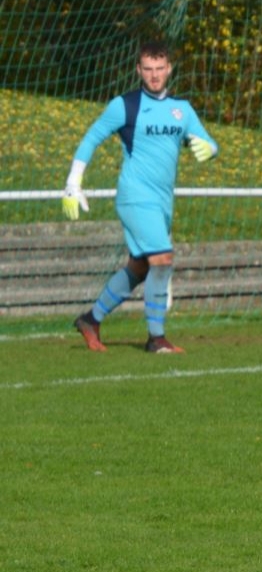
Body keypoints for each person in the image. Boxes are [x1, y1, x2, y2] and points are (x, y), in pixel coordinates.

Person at [63, 41, 218, 354]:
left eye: (159, 68)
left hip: (162, 203)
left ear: (169, 69)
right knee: (162, 259)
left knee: (139, 267)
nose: (154, 75)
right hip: (134, 196)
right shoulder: (126, 105)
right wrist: (72, 183)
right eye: (148, 69)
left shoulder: (182, 110)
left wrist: (210, 149)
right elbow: (91, 138)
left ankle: (91, 320)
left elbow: (207, 141)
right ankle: (156, 338)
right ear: (138, 70)